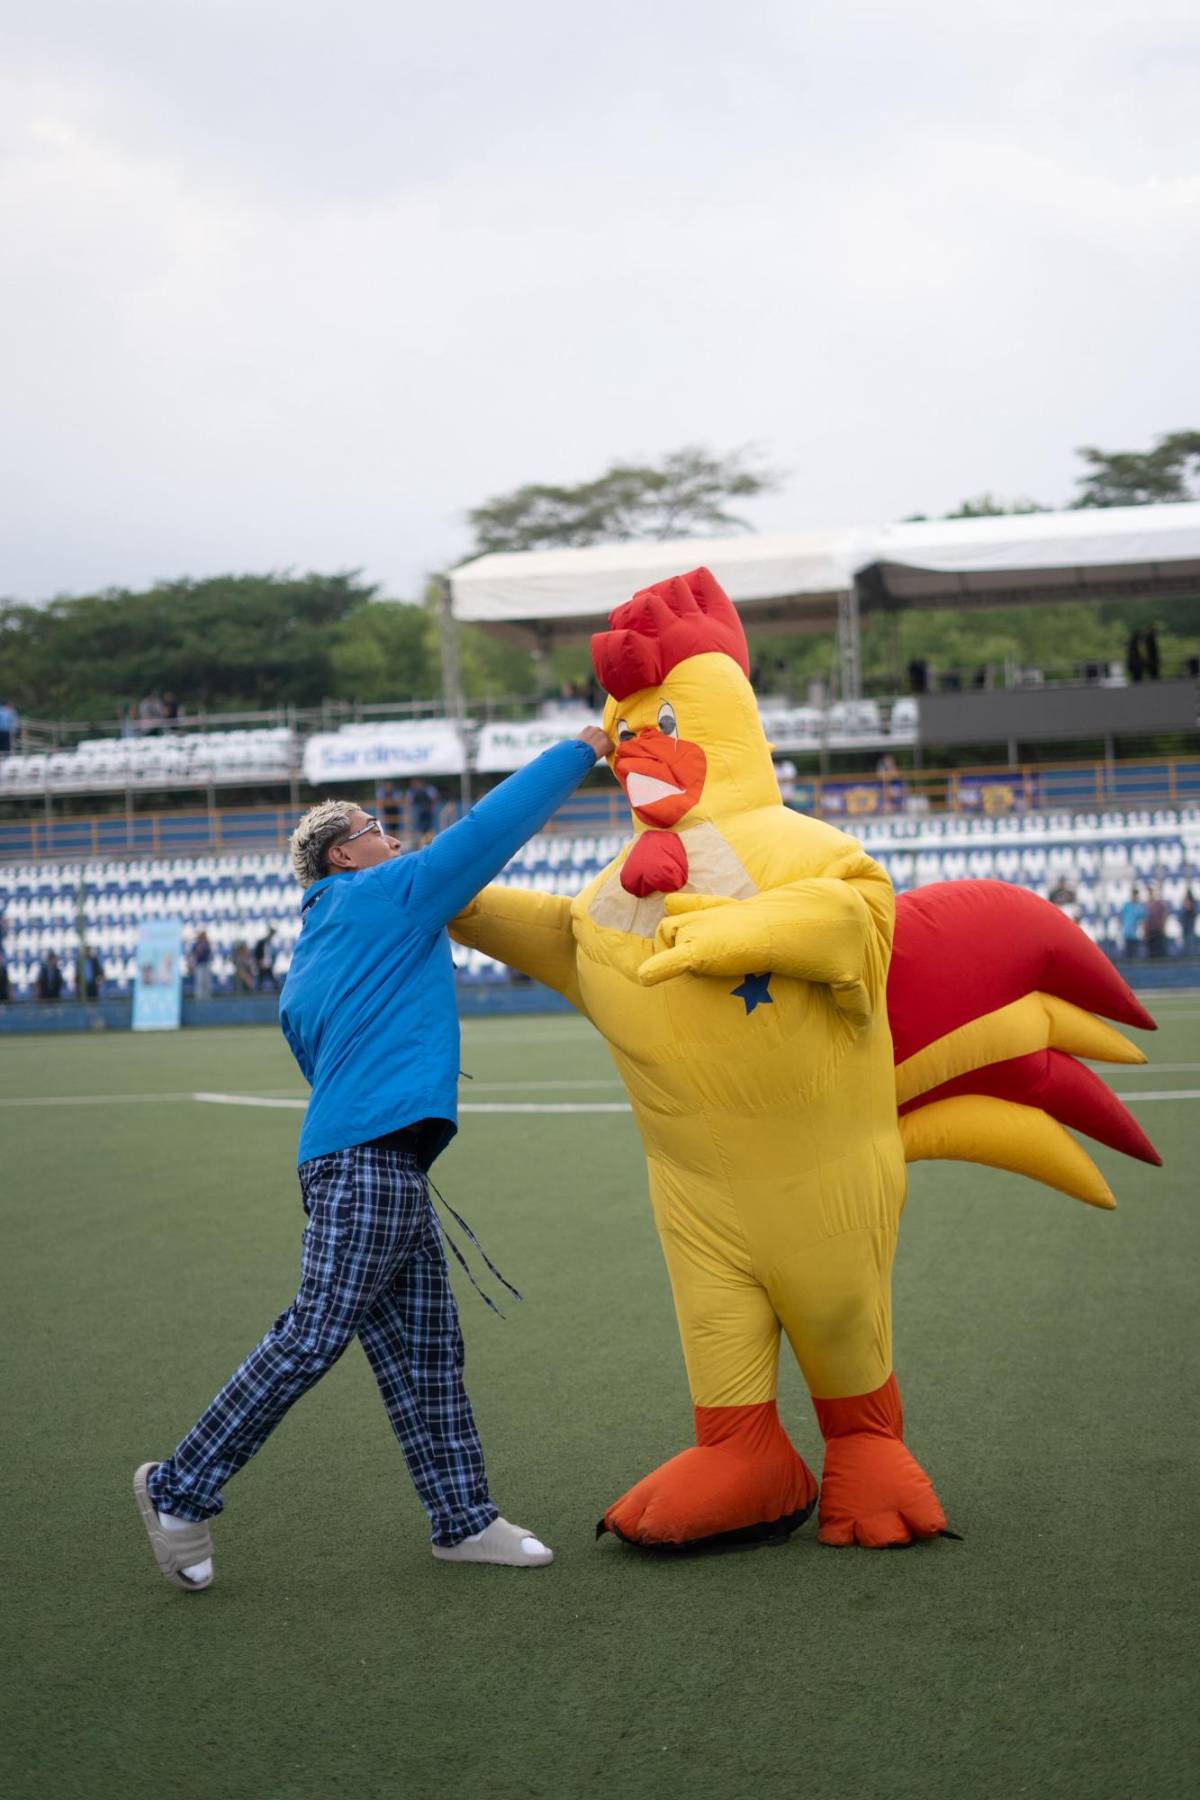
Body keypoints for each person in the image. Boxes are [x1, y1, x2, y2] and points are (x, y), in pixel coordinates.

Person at [133, 727, 612, 1589]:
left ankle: (462, 1521)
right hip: (370, 1166)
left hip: (361, 1162)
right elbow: (486, 833)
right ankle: (180, 1486)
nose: (396, 839)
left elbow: (320, 1058)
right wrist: (577, 752)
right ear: (346, 855)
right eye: (379, 829)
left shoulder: (314, 950)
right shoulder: (387, 893)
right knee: (314, 1334)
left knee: (425, 1352)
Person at [1118, 889, 1146, 959]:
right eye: (1133, 895)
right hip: (1127, 934)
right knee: (1128, 955)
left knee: (1135, 955)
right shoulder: (1126, 906)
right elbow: (1120, 917)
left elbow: (1143, 920)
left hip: (1136, 935)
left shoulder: (1140, 907)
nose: (1134, 897)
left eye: (1135, 895)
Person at [1144, 886, 1168, 959]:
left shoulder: (1158, 904)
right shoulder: (1146, 905)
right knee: (1151, 952)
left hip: (1158, 930)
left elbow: (1164, 915)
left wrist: (1163, 927)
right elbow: (1145, 920)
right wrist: (1145, 932)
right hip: (1150, 932)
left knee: (1159, 951)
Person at [190, 928, 214, 1001]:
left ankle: (207, 997)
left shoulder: (207, 944)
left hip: (206, 964)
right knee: (199, 982)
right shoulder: (196, 944)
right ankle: (199, 998)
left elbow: (209, 953)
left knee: (207, 982)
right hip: (199, 965)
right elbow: (194, 954)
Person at [253, 926, 277, 991]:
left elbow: (271, 955)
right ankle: (258, 992)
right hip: (262, 964)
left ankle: (277, 990)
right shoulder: (261, 942)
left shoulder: (270, 943)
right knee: (261, 978)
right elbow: (257, 953)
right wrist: (259, 961)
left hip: (268, 964)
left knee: (270, 978)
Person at [1180, 887, 1197, 954]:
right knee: (1186, 938)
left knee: (1190, 938)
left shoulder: (1192, 913)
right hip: (1186, 922)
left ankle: (1190, 953)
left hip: (1190, 921)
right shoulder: (1185, 914)